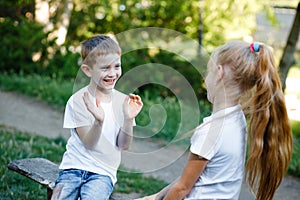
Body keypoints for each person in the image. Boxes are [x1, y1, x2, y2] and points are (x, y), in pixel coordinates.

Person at [136, 40, 293, 200]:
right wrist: (154, 197)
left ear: (219, 73)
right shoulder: (237, 119)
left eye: (208, 71)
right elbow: (192, 177)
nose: (205, 78)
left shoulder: (211, 130)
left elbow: (182, 189)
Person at [51, 34, 143, 200]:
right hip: (73, 168)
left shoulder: (123, 102)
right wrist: (98, 121)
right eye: (105, 68)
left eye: (116, 66)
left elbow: (123, 145)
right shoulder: (78, 100)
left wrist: (128, 119)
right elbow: (89, 143)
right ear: (87, 70)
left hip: (103, 173)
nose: (112, 73)